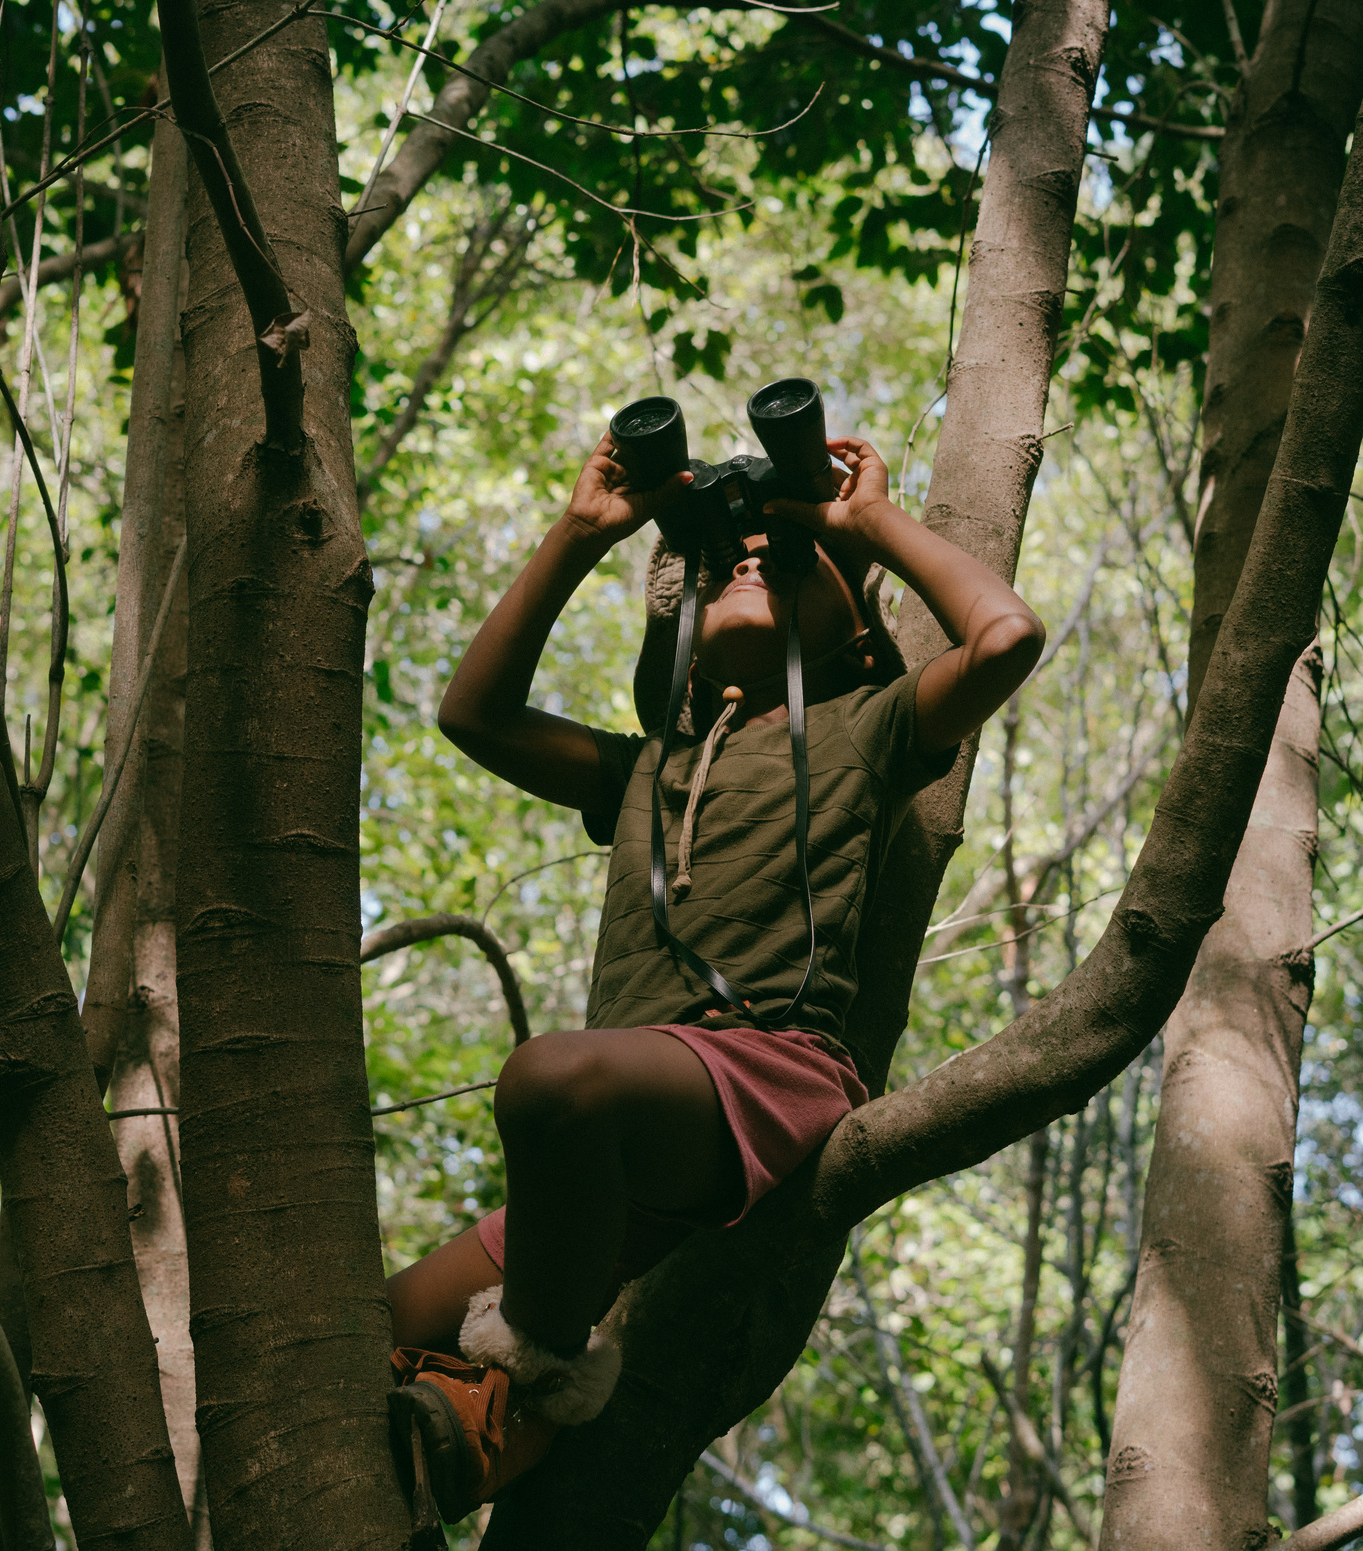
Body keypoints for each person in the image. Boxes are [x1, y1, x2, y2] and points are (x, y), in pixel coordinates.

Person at [384, 423, 1045, 1526]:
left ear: (859, 637)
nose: (750, 561)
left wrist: (867, 523)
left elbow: (1008, 638)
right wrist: (581, 532)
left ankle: (526, 1395)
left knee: (551, 1079)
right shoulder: (647, 767)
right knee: (366, 1329)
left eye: (785, 560)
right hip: (626, 1142)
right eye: (724, 562)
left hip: (763, 1080)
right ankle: (449, 1438)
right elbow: (474, 716)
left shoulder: (868, 725)